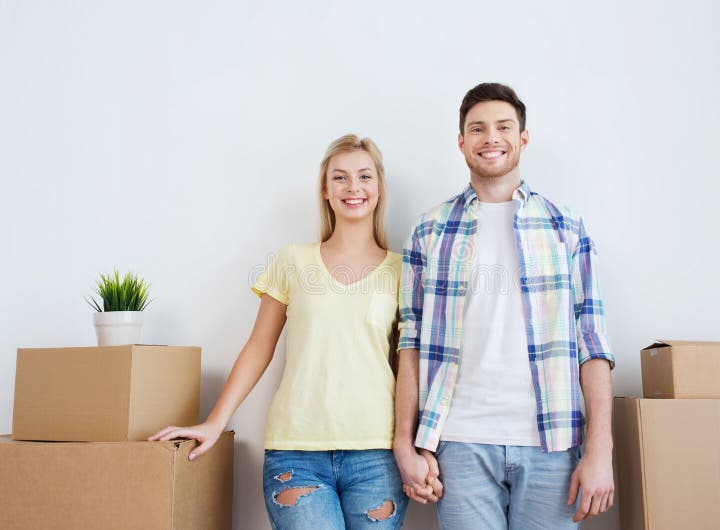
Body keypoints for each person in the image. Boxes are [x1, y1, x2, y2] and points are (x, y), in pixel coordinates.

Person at [151, 134, 408, 530]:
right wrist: (214, 422)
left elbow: (409, 365)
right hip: (295, 453)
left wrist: (417, 445)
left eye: (364, 176)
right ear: (325, 189)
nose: (353, 187)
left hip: (378, 454)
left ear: (379, 187)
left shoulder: (402, 270)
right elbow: (258, 347)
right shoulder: (293, 260)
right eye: (340, 177)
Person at [393, 83, 616, 529]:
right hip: (458, 442)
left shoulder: (565, 226)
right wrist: (404, 442)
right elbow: (410, 343)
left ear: (523, 138)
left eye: (502, 127)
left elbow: (591, 342)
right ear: (462, 143)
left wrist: (600, 449)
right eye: (477, 129)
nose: (490, 137)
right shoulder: (429, 230)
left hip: (551, 443)